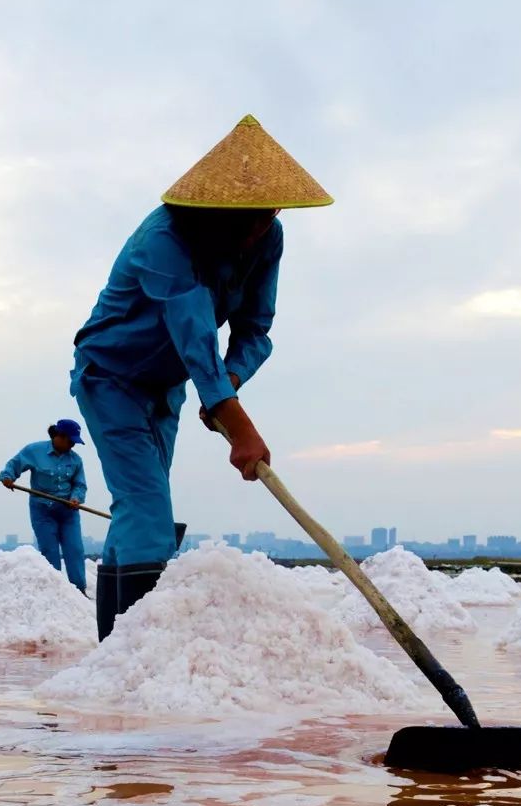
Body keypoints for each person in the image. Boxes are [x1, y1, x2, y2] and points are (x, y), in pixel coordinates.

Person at [70, 114, 332, 640]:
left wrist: (227, 386)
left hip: (165, 387)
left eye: (265, 215)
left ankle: (113, 653)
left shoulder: (267, 239)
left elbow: (256, 329)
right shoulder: (163, 240)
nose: (255, 229)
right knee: (148, 509)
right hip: (111, 378)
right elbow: (194, 338)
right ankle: (144, 653)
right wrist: (240, 426)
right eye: (243, 218)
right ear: (212, 208)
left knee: (137, 508)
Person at [0, 419, 88, 594]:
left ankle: (79, 591)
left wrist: (76, 498)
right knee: (49, 551)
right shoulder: (34, 451)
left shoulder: (76, 460)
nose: (72, 445)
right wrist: (8, 477)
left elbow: (80, 484)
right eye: (71, 441)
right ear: (59, 437)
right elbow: (14, 465)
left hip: (68, 511)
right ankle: (54, 592)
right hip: (43, 511)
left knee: (75, 550)